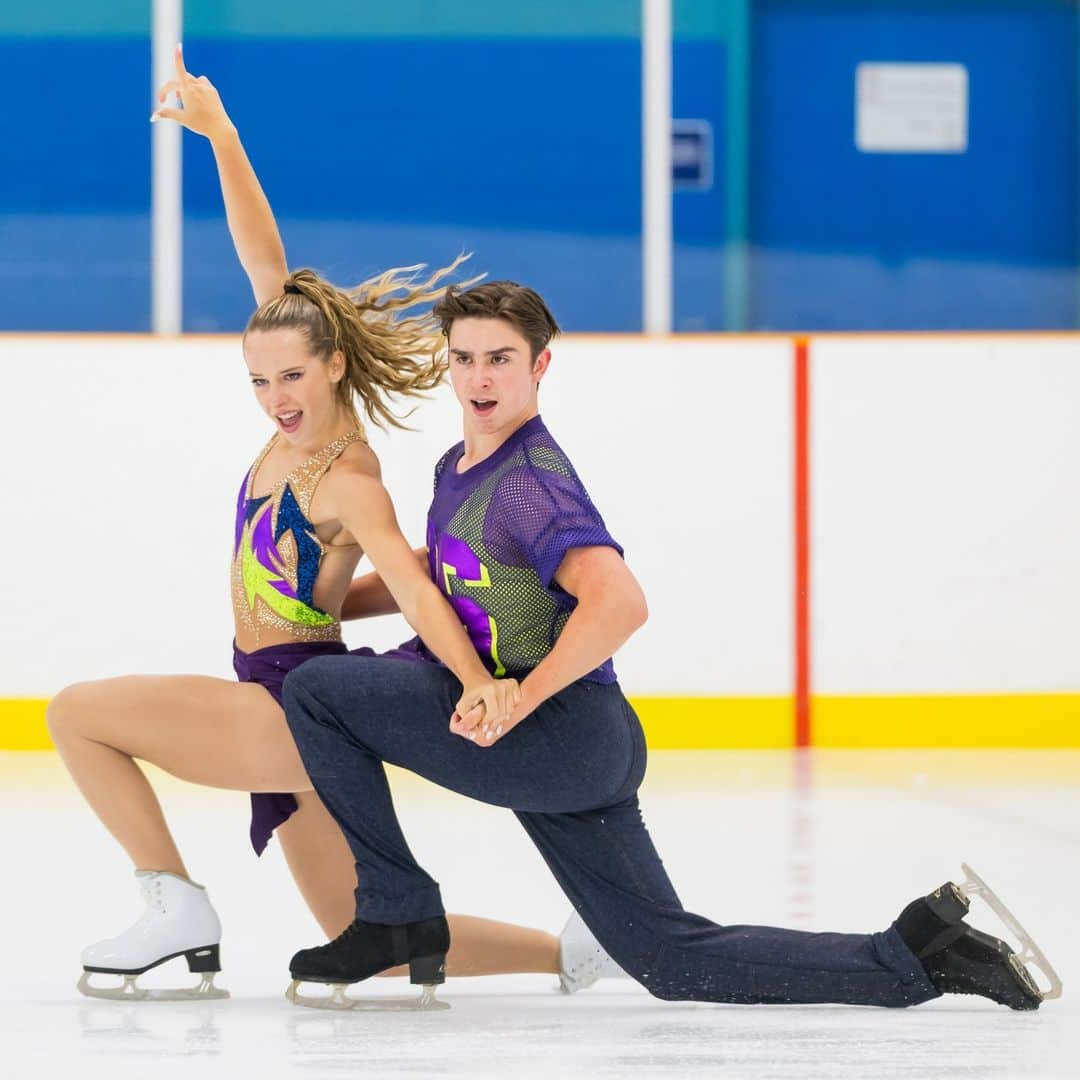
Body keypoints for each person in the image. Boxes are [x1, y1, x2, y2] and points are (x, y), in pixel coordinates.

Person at [279, 278, 1055, 1012]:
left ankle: (393, 909)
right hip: (584, 745)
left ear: (540, 364)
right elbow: (446, 572)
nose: (480, 378)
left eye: (501, 359)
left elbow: (620, 603)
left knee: (317, 691)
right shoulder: (462, 464)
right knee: (669, 958)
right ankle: (918, 951)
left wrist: (523, 697)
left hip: (559, 734)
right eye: (466, 359)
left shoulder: (529, 481)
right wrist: (332, 607)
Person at [43, 46, 608, 1002]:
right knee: (362, 932)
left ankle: (174, 904)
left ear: (335, 367)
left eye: (292, 377)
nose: (274, 397)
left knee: (78, 714)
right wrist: (221, 137)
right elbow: (264, 262)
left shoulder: (345, 470)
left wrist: (476, 683)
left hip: (292, 698)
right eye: (258, 382)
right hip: (272, 689)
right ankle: (575, 953)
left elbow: (420, 586)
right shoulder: (290, 415)